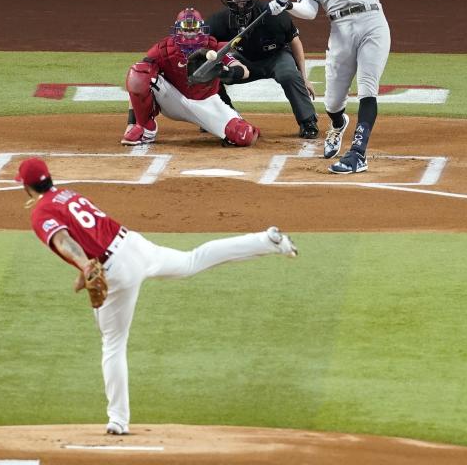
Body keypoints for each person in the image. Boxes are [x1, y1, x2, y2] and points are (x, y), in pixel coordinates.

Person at [15, 156, 297, 436]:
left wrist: (85, 266)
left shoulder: (41, 213)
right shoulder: (68, 194)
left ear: (27, 187)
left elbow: (64, 239)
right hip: (133, 245)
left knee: (113, 344)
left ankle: (118, 419)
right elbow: (90, 236)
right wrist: (83, 270)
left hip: (116, 270)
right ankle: (265, 240)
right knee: (191, 261)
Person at [268, 0, 391, 174]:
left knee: (368, 88)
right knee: (333, 103)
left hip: (372, 22)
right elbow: (310, 11)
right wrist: (287, 6)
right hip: (341, 30)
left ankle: (358, 153)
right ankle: (338, 123)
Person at [121, 8, 259, 147]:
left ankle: (224, 124)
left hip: (206, 103)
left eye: (193, 30)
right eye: (186, 30)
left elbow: (244, 71)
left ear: (201, 30)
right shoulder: (164, 48)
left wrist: (228, 72)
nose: (189, 34)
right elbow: (138, 77)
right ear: (177, 30)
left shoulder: (213, 47)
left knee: (243, 135)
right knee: (139, 73)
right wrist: (131, 122)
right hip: (173, 99)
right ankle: (145, 129)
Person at [206, 0, 319, 138]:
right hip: (244, 60)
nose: (240, 2)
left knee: (289, 75)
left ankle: (308, 121)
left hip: (276, 57)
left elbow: (295, 41)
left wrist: (304, 77)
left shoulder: (274, 14)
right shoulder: (219, 21)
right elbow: (203, 43)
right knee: (211, 74)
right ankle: (225, 116)